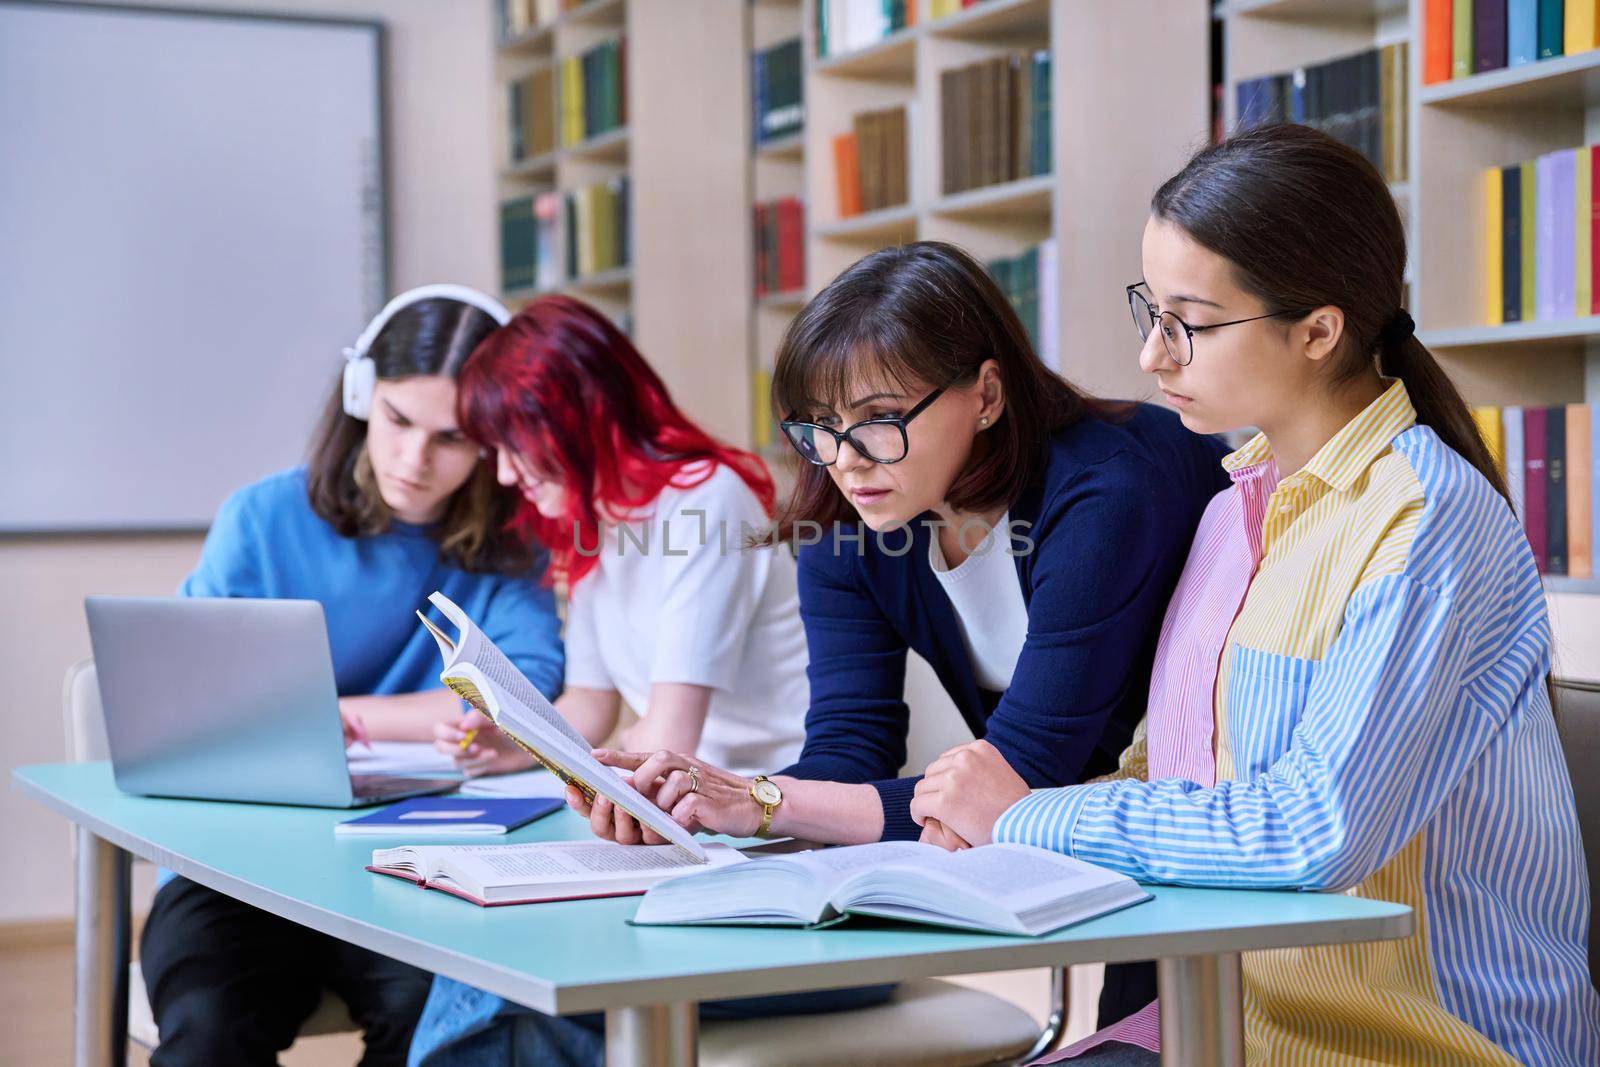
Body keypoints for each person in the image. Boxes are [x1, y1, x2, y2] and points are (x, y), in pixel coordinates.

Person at [910, 124, 1600, 1065]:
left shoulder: (1425, 516)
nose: (1154, 355)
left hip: (1415, 1045)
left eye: (1187, 322)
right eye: (1148, 310)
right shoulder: (1230, 514)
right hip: (1226, 1022)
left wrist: (1024, 812)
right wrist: (990, 834)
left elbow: (1315, 830)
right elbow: (1168, 775)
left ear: (1318, 330)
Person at [575, 240, 1230, 1031]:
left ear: (986, 394)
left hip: (1211, 825)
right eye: (819, 426)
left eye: (881, 421)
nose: (845, 461)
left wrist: (760, 799)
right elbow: (849, 749)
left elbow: (1020, 778)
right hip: (1099, 837)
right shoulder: (851, 527)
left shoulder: (1104, 493)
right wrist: (714, 803)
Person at [138, 285, 565, 1067]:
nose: (415, 460)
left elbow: (522, 694)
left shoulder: (512, 544)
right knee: (208, 1028)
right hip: (239, 866)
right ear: (362, 397)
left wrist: (327, 710)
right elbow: (196, 694)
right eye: (399, 421)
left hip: (413, 868)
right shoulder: (262, 516)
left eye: (452, 439)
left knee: (440, 1032)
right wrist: (408, 711)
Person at [408, 295, 822, 1067]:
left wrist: (568, 761)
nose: (504, 473)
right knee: (500, 971)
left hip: (769, 837)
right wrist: (509, 738)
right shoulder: (601, 518)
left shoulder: (709, 500)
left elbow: (668, 741)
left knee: (511, 967)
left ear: (580, 418)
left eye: (515, 447)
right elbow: (592, 707)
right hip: (690, 828)